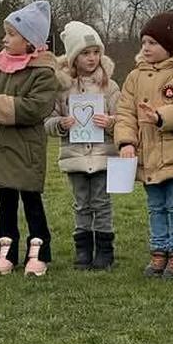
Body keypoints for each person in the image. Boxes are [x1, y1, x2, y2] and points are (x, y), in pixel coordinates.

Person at [0, 1, 60, 276]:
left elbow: (37, 107)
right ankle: (6, 250)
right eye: (5, 34)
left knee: (32, 202)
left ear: (30, 41)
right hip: (1, 149)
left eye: (11, 34)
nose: (4, 39)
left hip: (26, 150)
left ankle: (39, 250)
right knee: (5, 202)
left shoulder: (44, 72)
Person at [114, 8, 173, 279]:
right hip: (147, 156)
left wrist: (160, 116)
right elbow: (125, 112)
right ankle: (159, 251)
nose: (146, 48)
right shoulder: (134, 77)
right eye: (144, 42)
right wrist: (126, 142)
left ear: (169, 45)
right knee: (155, 206)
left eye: (152, 42)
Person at [44, 21, 120, 270]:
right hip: (74, 157)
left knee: (102, 203)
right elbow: (47, 122)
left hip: (103, 155)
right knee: (81, 203)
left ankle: (105, 249)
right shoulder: (62, 89)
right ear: (74, 57)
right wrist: (61, 124)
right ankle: (83, 249)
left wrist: (110, 122)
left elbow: (124, 120)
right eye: (85, 53)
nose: (92, 58)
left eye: (96, 52)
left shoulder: (110, 87)